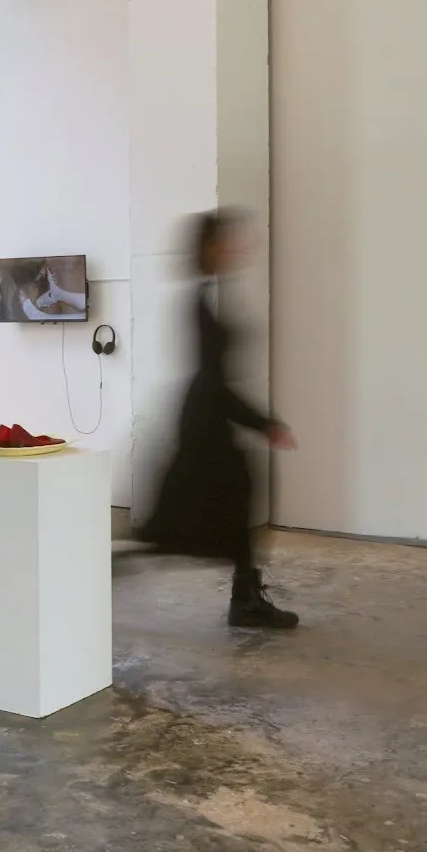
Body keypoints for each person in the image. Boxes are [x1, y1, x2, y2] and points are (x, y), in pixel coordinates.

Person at [135, 209, 300, 629]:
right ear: (210, 247)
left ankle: (244, 597)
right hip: (208, 417)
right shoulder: (202, 299)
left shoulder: (210, 293)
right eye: (227, 240)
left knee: (215, 507)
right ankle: (243, 599)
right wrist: (263, 423)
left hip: (207, 413)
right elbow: (214, 378)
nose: (236, 247)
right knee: (198, 515)